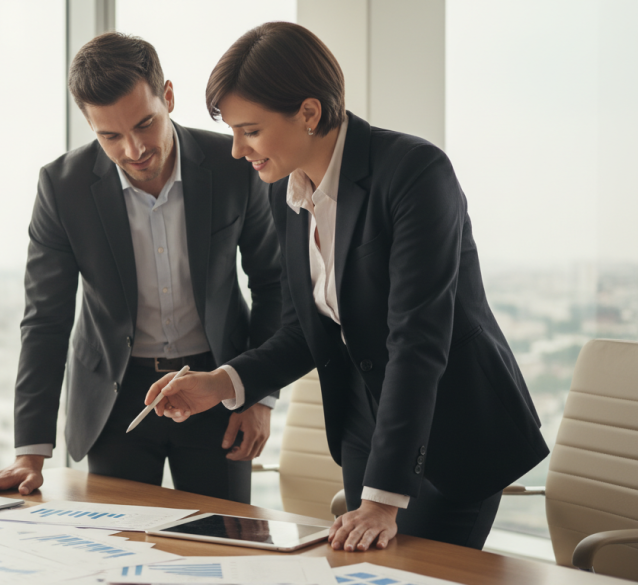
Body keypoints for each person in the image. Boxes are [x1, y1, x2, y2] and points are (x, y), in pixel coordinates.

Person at [145, 22, 549, 549]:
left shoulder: (414, 173)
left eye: (251, 130)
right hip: (365, 427)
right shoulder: (284, 191)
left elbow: (417, 341)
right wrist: (219, 384)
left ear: (309, 113)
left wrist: (382, 500)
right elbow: (300, 331)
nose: (237, 151)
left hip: (450, 429)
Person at [0, 32, 282, 503]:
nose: (134, 150)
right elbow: (45, 320)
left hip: (217, 386)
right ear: (90, 126)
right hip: (116, 398)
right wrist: (29, 454)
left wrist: (257, 395)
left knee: (227, 550)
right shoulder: (61, 188)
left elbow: (273, 283)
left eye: (145, 124)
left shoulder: (232, 165)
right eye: (110, 135)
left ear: (168, 96)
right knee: (118, 560)